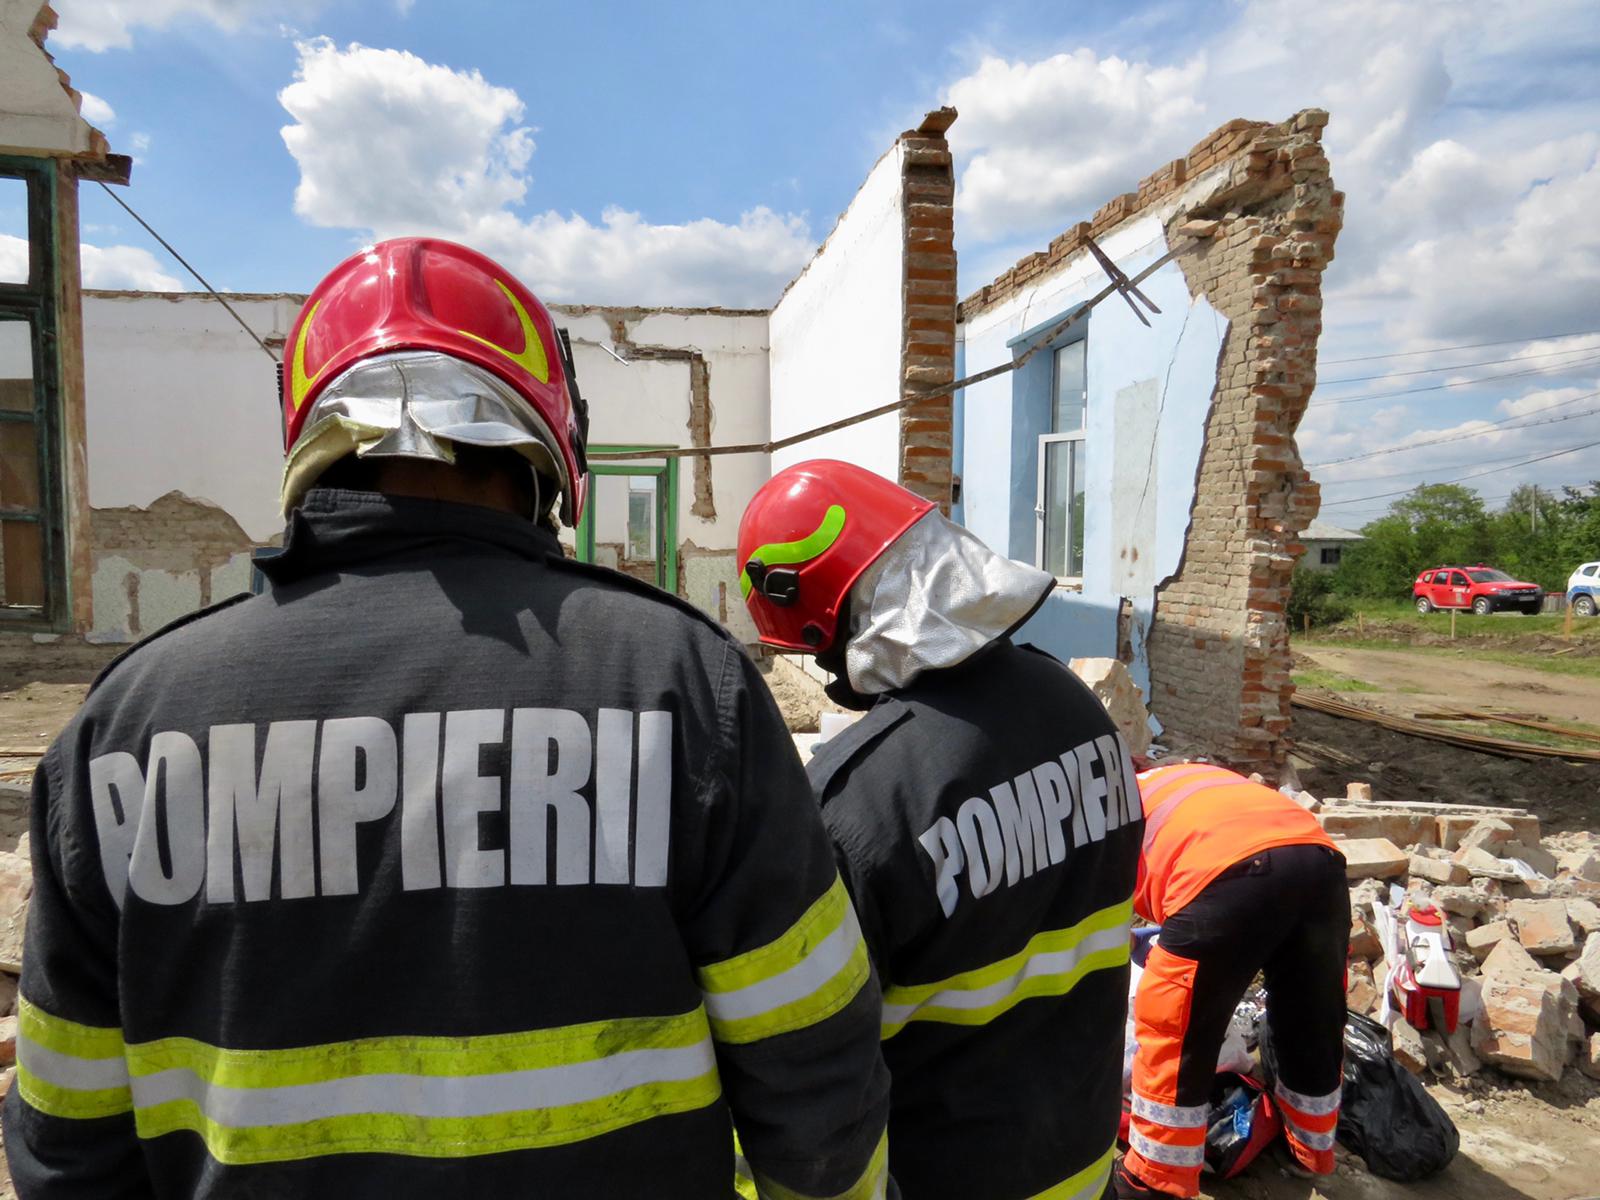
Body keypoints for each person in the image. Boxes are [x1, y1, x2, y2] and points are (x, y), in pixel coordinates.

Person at [2, 239, 893, 1200]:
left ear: (312, 437)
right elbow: (817, 1091)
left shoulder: (124, 728)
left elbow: (68, 1144)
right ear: (547, 438)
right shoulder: (681, 684)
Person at [737, 459, 1143, 1200]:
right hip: (1085, 1167)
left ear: (830, 620)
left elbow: (812, 1069)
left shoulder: (858, 805)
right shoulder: (1078, 707)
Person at [1116, 762, 1348, 1199]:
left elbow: (1103, 922)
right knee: (1311, 1015)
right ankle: (1309, 1151)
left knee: (1176, 1032)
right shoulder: (1187, 778)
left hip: (1226, 875)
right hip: (1320, 864)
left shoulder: (1108, 812)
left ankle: (1153, 1179)